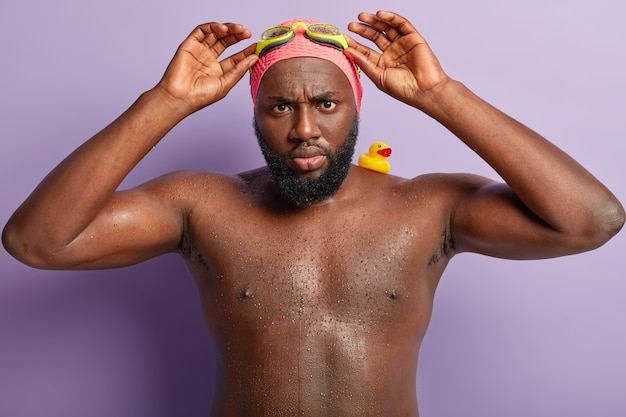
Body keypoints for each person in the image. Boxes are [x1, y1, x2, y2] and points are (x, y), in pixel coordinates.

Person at [2, 9, 624, 417]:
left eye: (326, 104)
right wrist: (165, 104)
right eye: (280, 108)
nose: (305, 129)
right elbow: (38, 243)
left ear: (356, 107)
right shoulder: (201, 206)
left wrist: (441, 95)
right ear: (254, 113)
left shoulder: (428, 207)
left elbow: (590, 219)